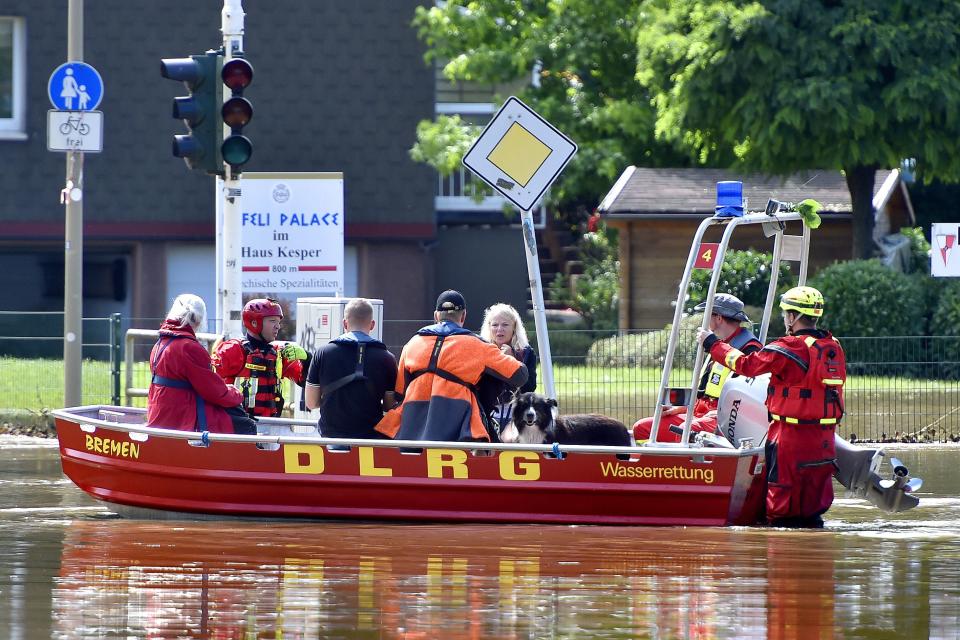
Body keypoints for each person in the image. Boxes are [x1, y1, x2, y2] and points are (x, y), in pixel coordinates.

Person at [696, 286, 846, 528]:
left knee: (781, 505)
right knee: (813, 501)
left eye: (786, 313)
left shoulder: (789, 348)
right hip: (824, 438)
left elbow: (745, 364)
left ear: (792, 316)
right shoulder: (833, 347)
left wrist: (713, 344)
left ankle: (782, 554)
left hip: (790, 436)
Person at [376, 290, 528, 442]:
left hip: (411, 431)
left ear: (436, 316)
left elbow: (399, 393)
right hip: (460, 431)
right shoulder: (478, 346)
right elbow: (520, 375)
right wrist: (510, 356)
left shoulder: (412, 343)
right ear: (463, 316)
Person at [634, 293, 761, 443]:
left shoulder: (748, 349)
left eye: (707, 314)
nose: (703, 320)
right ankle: (659, 467)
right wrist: (682, 408)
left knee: (685, 431)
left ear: (718, 318)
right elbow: (705, 392)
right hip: (699, 414)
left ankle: (681, 467)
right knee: (642, 429)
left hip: (723, 420)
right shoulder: (717, 345)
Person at [146, 294, 255, 434]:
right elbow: (213, 391)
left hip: (161, 415)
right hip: (184, 417)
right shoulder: (189, 348)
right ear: (198, 321)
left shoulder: (160, 344)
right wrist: (236, 394)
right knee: (247, 425)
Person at [304, 298, 398, 439]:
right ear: (372, 325)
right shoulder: (387, 358)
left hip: (331, 438)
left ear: (344, 323)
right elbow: (389, 406)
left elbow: (311, 403)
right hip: (370, 439)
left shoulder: (323, 353)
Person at [212, 298, 311, 418]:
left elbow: (307, 381)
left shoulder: (278, 353)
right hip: (237, 424)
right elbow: (209, 383)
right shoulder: (232, 349)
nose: (277, 327)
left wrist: (307, 359)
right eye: (272, 321)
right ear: (254, 323)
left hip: (270, 425)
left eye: (278, 322)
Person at [478, 303, 537, 432]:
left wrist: (513, 361)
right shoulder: (481, 351)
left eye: (505, 325)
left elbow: (530, 387)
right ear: (489, 328)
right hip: (486, 412)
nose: (500, 329)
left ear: (514, 328)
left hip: (517, 412)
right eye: (495, 325)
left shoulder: (526, 353)